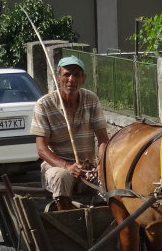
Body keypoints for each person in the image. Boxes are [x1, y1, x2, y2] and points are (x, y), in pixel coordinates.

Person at [30, 56, 109, 210]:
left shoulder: (91, 99)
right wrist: (67, 166)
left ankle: (103, 220)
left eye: (77, 75)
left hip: (88, 167)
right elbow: (41, 149)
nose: (71, 79)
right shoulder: (44, 104)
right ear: (58, 77)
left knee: (111, 178)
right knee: (62, 176)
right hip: (56, 166)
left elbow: (103, 140)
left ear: (83, 78)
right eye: (66, 74)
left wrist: (101, 164)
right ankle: (67, 220)